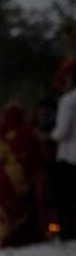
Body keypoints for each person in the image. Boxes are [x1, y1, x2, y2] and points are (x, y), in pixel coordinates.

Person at [0, 104, 45, 248]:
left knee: (6, 211)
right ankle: (27, 238)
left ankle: (7, 239)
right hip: (21, 181)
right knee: (24, 209)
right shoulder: (27, 134)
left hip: (1, 179)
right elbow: (37, 159)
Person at [52, 64, 76, 241]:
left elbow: (62, 132)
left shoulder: (68, 101)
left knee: (66, 200)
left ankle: (66, 232)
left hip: (69, 157)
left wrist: (50, 135)